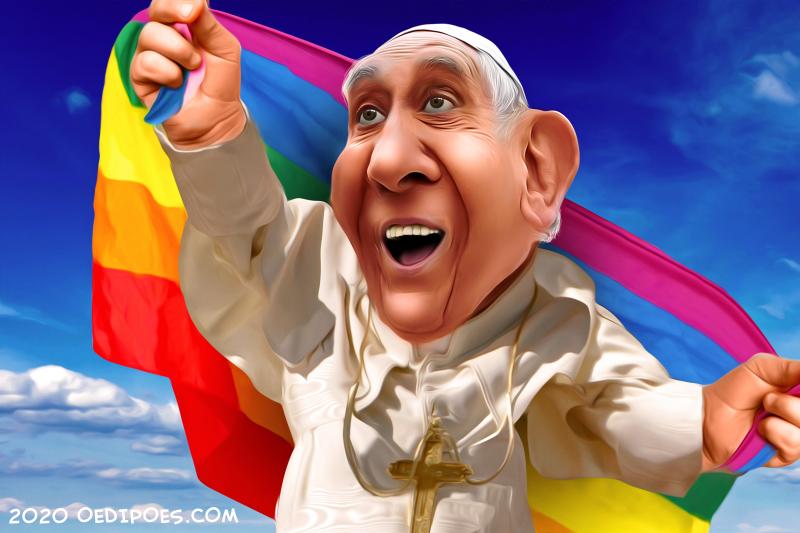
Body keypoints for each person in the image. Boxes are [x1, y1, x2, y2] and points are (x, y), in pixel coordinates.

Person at [131, 1, 800, 531]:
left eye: (440, 103)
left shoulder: (554, 314)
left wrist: (704, 422)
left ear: (536, 170)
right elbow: (242, 232)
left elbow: (612, 412)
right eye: (368, 115)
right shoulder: (319, 269)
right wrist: (211, 138)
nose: (390, 159)